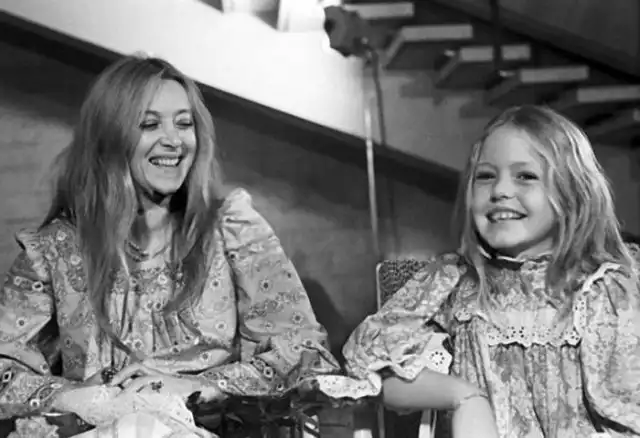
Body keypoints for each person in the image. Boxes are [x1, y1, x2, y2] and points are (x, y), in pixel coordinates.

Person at [0, 54, 340, 437]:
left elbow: (305, 355)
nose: (174, 140)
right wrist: (76, 397)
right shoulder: (55, 250)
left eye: (184, 123)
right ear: (109, 138)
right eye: (149, 124)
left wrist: (202, 387)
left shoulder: (232, 229)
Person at [326, 105, 640, 437]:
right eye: (486, 176)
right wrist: (464, 397)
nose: (500, 190)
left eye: (525, 176)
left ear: (573, 191)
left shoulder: (607, 289)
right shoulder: (453, 282)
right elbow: (369, 365)